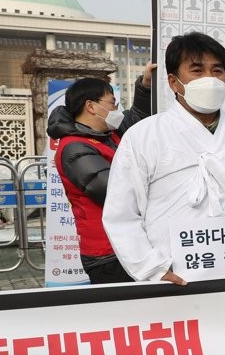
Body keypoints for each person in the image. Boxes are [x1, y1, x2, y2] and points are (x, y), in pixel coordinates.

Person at [103, 32, 225, 285]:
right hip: (173, 279)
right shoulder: (143, 137)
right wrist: (152, 269)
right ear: (174, 82)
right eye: (197, 70)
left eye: (217, 71)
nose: (210, 79)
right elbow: (123, 214)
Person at [45, 65, 156, 284]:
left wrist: (145, 86)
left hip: (128, 243)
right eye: (112, 103)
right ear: (91, 106)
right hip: (108, 253)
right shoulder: (74, 148)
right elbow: (113, 192)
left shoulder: (108, 134)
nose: (116, 109)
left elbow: (137, 120)